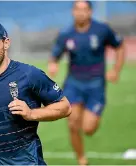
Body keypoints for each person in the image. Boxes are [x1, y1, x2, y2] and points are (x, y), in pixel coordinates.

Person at [0, 21, 72, 165]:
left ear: (6, 43)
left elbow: (65, 107)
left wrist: (31, 114)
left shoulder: (29, 75)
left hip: (27, 161)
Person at [48, 1, 125, 165]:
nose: (81, 13)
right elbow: (55, 54)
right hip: (73, 84)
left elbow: (119, 46)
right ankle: (81, 159)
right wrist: (53, 64)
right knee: (72, 122)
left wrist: (116, 70)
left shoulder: (102, 29)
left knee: (88, 129)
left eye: (84, 10)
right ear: (73, 12)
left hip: (96, 85)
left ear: (90, 12)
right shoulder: (66, 33)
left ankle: (88, 115)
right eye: (77, 9)